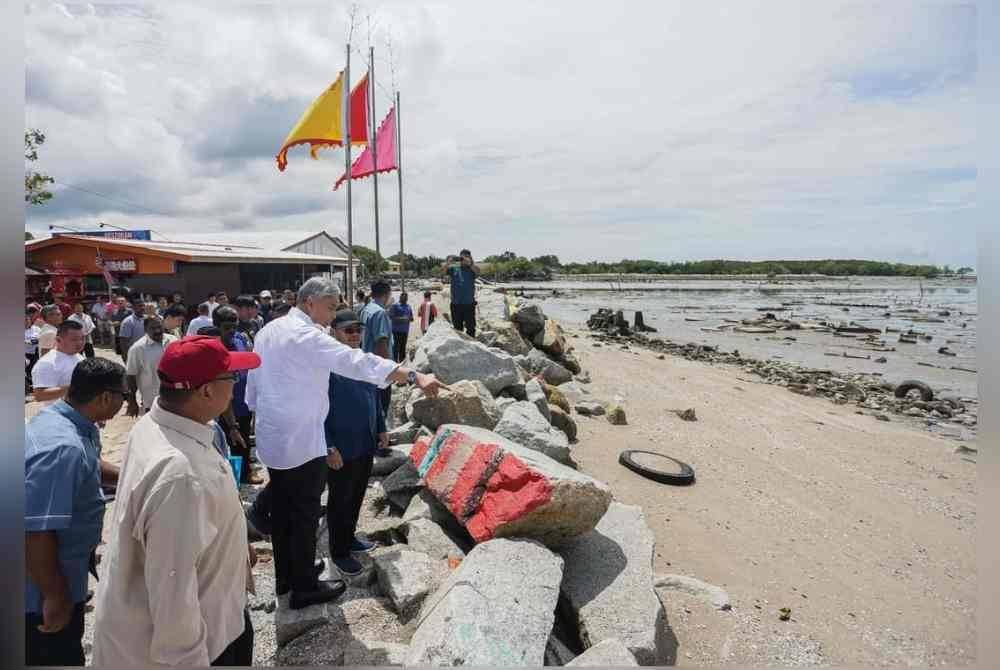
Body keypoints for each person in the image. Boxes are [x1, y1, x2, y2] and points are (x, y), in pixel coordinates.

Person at [245, 277, 443, 609]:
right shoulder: (305, 335)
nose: (333, 313)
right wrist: (412, 375)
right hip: (301, 440)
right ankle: (305, 586)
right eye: (332, 306)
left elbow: (254, 382)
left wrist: (260, 414)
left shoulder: (270, 329)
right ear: (310, 303)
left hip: (274, 437)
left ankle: (288, 577)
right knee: (305, 513)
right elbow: (357, 362)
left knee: (283, 513)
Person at [92, 336, 261, 667]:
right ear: (207, 391)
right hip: (207, 644)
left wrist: (236, 544)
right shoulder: (179, 475)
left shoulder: (161, 425)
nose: (236, 385)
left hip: (223, 615)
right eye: (232, 378)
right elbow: (172, 593)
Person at [25, 358, 127, 667]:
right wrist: (54, 595)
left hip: (63, 570)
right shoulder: (61, 448)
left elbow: (88, 466)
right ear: (106, 397)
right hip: (39, 591)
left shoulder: (68, 422)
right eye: (124, 394)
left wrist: (129, 476)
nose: (126, 402)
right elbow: (35, 530)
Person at [323, 309, 386, 576]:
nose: (355, 335)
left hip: (365, 442)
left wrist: (381, 428)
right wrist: (328, 445)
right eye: (348, 330)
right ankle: (338, 551)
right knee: (340, 499)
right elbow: (316, 409)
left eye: (358, 330)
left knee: (357, 494)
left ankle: (349, 538)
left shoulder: (363, 360)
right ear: (333, 332)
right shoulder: (326, 365)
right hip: (341, 446)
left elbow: (374, 397)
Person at [212, 306, 259, 484]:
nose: (231, 331)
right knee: (223, 444)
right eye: (227, 327)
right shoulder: (213, 347)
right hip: (221, 406)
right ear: (217, 326)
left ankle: (244, 472)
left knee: (243, 441)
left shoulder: (240, 340)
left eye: (234, 326)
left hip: (242, 402)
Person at [125, 317, 178, 416]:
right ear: (145, 330)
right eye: (153, 328)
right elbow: (131, 376)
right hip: (153, 403)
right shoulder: (137, 349)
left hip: (176, 399)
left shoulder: (174, 341)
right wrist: (132, 401)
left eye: (159, 327)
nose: (157, 330)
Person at [359, 280, 394, 413]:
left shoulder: (366, 309)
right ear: (386, 294)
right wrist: (388, 372)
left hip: (367, 366)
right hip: (379, 372)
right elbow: (381, 343)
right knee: (381, 411)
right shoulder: (380, 313)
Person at [32, 320, 86, 405]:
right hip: (61, 415)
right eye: (74, 339)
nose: (80, 343)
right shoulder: (47, 363)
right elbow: (39, 395)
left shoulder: (78, 356)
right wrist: (76, 388)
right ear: (58, 340)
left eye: (82, 338)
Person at [441, 249, 480, 337]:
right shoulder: (454, 269)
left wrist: (470, 263)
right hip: (456, 304)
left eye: (465, 257)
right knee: (457, 329)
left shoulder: (472, 269)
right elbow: (443, 272)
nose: (462, 260)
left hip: (469, 304)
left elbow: (478, 272)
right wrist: (448, 263)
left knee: (471, 328)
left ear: (470, 258)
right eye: (461, 257)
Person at [116, 297, 146, 364]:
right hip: (133, 355)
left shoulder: (147, 319)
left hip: (145, 354)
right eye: (140, 306)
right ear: (134, 308)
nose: (142, 308)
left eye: (143, 305)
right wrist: (126, 356)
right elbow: (123, 341)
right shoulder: (128, 322)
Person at [388, 292, 414, 363]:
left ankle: (403, 363)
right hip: (396, 330)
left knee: (403, 347)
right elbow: (391, 317)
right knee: (396, 347)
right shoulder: (395, 306)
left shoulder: (408, 306)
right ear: (400, 297)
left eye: (406, 297)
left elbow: (411, 318)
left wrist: (409, 318)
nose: (405, 298)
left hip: (405, 331)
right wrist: (402, 319)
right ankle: (394, 362)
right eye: (404, 297)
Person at [26, 307, 42, 392]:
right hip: (25, 353)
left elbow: (41, 337)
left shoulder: (36, 328)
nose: (26, 322)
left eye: (27, 320)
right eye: (25, 320)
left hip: (35, 352)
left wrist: (35, 340)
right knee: (26, 370)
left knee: (34, 369)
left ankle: (34, 385)